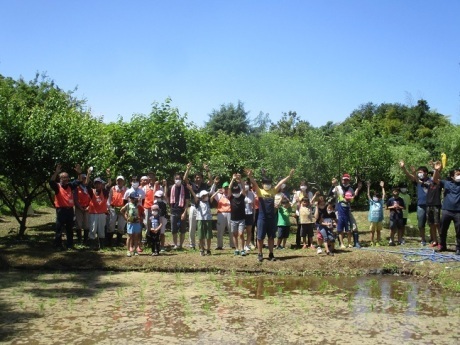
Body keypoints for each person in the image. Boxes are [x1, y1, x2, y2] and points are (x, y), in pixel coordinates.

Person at [247, 168, 295, 262]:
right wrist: (249, 176)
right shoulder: (260, 191)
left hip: (271, 218)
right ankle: (260, 254)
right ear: (262, 184)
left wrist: (289, 176)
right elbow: (254, 183)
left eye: (269, 183)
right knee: (260, 237)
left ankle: (271, 253)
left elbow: (281, 182)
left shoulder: (273, 191)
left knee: (271, 237)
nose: (267, 185)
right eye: (265, 183)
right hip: (262, 218)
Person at [49, 163, 82, 250]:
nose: (66, 179)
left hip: (70, 210)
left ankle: (70, 244)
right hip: (61, 210)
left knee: (69, 228)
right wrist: (56, 172)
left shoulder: (70, 186)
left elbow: (79, 181)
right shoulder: (57, 186)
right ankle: (58, 245)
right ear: (60, 179)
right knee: (59, 228)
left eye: (67, 177)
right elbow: (51, 181)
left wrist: (79, 173)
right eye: (63, 177)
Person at [432, 162, 460, 255]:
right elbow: (435, 179)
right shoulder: (447, 183)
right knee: (443, 229)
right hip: (446, 210)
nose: (459, 176)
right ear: (452, 176)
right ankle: (442, 246)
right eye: (458, 174)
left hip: (458, 212)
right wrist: (436, 170)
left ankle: (458, 248)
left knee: (459, 231)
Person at [399, 160, 429, 245]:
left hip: (430, 204)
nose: (419, 174)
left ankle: (434, 240)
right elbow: (409, 176)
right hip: (420, 205)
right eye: (418, 172)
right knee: (421, 224)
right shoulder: (417, 180)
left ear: (426, 173)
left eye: (421, 172)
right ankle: (423, 240)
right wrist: (403, 168)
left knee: (432, 223)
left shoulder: (431, 180)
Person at [185, 163, 213, 250]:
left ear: (202, 178)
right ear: (194, 178)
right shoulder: (192, 185)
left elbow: (211, 181)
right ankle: (192, 244)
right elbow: (185, 179)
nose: (198, 179)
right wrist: (188, 169)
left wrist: (207, 170)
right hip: (193, 206)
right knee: (192, 226)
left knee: (202, 226)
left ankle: (202, 245)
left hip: (202, 208)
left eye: (200, 177)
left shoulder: (204, 185)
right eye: (196, 177)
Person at [85, 168, 111, 250]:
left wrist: (108, 174)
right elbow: (86, 184)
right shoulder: (91, 191)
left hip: (102, 214)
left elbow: (109, 184)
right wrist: (88, 174)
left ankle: (102, 245)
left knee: (101, 230)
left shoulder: (105, 192)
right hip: (93, 213)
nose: (97, 185)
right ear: (94, 184)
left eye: (99, 183)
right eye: (96, 183)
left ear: (101, 184)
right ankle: (92, 245)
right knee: (92, 229)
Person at [187, 185, 213, 256]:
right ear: (202, 196)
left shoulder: (209, 202)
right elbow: (195, 196)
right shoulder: (198, 202)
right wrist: (191, 190)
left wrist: (215, 189)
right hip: (200, 220)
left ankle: (208, 249)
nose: (207, 196)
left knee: (208, 236)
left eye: (207, 195)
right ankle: (201, 249)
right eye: (205, 195)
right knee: (201, 236)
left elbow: (212, 194)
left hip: (208, 220)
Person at [123, 176, 146, 252]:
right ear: (131, 182)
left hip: (139, 211)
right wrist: (126, 214)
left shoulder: (141, 191)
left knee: (138, 231)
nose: (135, 182)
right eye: (133, 180)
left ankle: (138, 246)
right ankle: (130, 246)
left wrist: (141, 212)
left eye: (136, 180)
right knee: (130, 233)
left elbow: (143, 202)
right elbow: (124, 201)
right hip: (130, 212)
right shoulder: (128, 191)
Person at [228, 174, 247, 256]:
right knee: (234, 234)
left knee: (241, 234)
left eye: (237, 191)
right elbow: (229, 188)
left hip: (241, 219)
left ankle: (242, 249)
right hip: (233, 219)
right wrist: (232, 179)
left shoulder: (242, 196)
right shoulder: (231, 197)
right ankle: (236, 249)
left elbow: (243, 187)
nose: (236, 193)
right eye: (234, 191)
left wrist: (240, 178)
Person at [120, 192, 144, 256]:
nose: (135, 200)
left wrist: (140, 217)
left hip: (137, 223)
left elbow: (143, 214)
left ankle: (135, 250)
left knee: (136, 237)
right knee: (129, 237)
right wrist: (126, 218)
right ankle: (128, 250)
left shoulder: (138, 205)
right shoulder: (128, 205)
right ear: (131, 198)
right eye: (134, 198)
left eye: (136, 198)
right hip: (130, 223)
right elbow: (121, 210)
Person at [168, 172, 188, 249]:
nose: (178, 180)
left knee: (182, 230)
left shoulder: (185, 188)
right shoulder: (170, 188)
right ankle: (175, 244)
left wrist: (184, 212)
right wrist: (170, 208)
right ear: (174, 180)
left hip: (182, 211)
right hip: (173, 211)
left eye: (179, 179)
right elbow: (167, 197)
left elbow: (187, 201)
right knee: (174, 229)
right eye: (176, 179)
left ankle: (181, 245)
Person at [107, 176, 127, 247]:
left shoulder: (126, 189)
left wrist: (125, 208)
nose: (119, 182)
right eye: (118, 180)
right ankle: (109, 242)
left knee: (121, 225)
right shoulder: (113, 188)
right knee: (111, 224)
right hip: (113, 208)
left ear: (123, 181)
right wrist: (108, 207)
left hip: (122, 209)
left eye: (121, 180)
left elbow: (127, 200)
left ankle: (119, 241)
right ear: (116, 181)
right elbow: (109, 198)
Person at [293, 180, 314, 248]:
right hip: (299, 213)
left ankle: (310, 243)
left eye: (304, 185)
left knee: (309, 229)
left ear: (307, 186)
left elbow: (311, 202)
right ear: (299, 186)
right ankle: (298, 243)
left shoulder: (309, 193)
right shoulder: (297, 193)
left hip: (307, 213)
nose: (303, 187)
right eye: (301, 185)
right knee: (300, 229)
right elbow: (294, 201)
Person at [213, 181, 232, 249]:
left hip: (229, 213)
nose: (226, 190)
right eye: (225, 188)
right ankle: (219, 245)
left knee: (231, 229)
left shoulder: (230, 196)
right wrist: (215, 185)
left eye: (227, 188)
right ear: (222, 189)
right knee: (220, 230)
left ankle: (232, 245)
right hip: (221, 214)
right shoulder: (219, 195)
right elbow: (211, 192)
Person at [366, 181, 385, 246]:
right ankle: (372, 241)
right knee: (372, 231)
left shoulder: (380, 202)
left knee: (378, 231)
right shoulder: (372, 202)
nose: (375, 197)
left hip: (379, 219)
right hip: (372, 219)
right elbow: (368, 195)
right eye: (374, 196)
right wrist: (368, 187)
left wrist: (382, 187)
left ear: (379, 198)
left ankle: (378, 242)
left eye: (376, 196)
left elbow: (384, 195)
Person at [74, 172, 90, 245]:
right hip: (79, 208)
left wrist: (88, 207)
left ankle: (86, 240)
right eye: (82, 178)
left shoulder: (88, 188)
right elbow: (75, 199)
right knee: (79, 224)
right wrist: (80, 207)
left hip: (87, 208)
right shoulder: (76, 188)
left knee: (86, 225)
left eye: (85, 178)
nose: (83, 180)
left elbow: (91, 199)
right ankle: (79, 240)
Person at [243, 179, 256, 251]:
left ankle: (247, 245)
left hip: (250, 214)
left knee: (249, 230)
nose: (246, 186)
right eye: (244, 184)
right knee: (241, 232)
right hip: (242, 214)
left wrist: (254, 215)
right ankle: (241, 245)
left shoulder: (252, 194)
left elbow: (253, 206)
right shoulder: (240, 193)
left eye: (247, 184)